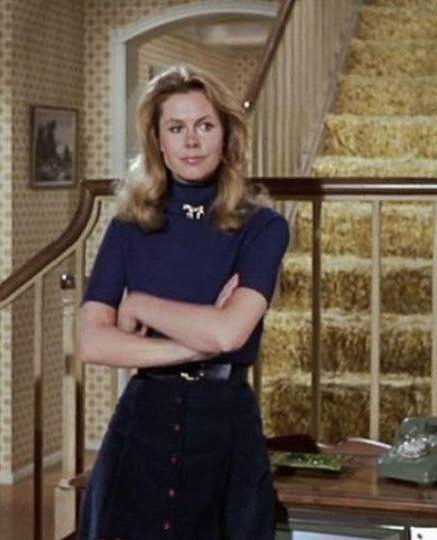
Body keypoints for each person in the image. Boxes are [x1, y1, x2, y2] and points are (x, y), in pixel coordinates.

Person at [78, 64, 289, 540]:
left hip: (225, 424)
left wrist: (142, 305)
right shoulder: (128, 225)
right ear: (158, 141)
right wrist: (196, 345)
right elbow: (94, 342)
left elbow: (230, 333)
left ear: (226, 134)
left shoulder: (262, 227)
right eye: (176, 128)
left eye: (204, 125)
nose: (191, 141)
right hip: (142, 423)